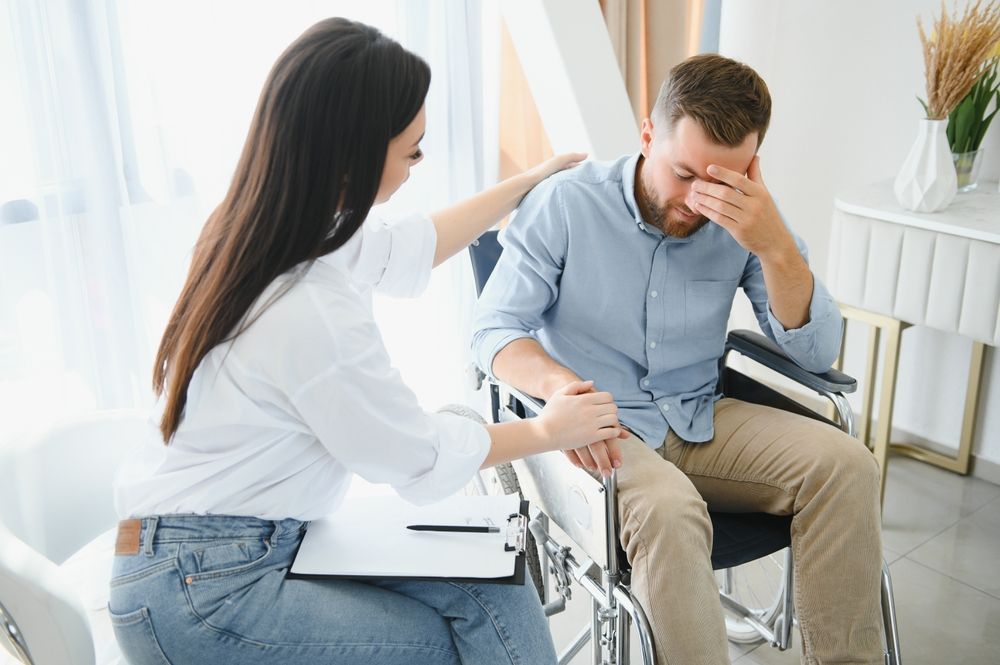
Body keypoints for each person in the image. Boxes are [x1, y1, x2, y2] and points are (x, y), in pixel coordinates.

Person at [109, 18, 627, 665]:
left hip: (207, 553)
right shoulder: (305, 305)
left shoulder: (272, 230)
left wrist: (531, 180)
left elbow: (410, 246)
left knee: (494, 576)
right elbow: (412, 457)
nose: (418, 166)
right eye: (411, 152)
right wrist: (552, 429)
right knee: (449, 640)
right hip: (207, 587)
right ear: (355, 151)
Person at [472, 53, 884, 665]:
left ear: (752, 166)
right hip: (597, 430)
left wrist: (773, 246)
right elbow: (493, 330)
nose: (698, 200)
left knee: (849, 465)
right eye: (684, 172)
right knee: (669, 509)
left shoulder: (746, 220)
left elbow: (817, 350)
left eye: (721, 180)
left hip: (699, 416)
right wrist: (561, 388)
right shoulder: (565, 205)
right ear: (647, 135)